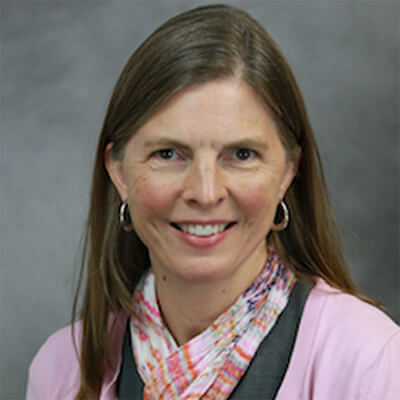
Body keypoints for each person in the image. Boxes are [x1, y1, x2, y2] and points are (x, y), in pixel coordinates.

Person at [26, 4, 399, 400]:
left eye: (241, 155)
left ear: (288, 172)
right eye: (168, 154)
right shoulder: (62, 369)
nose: (205, 193)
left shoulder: (372, 361)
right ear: (118, 172)